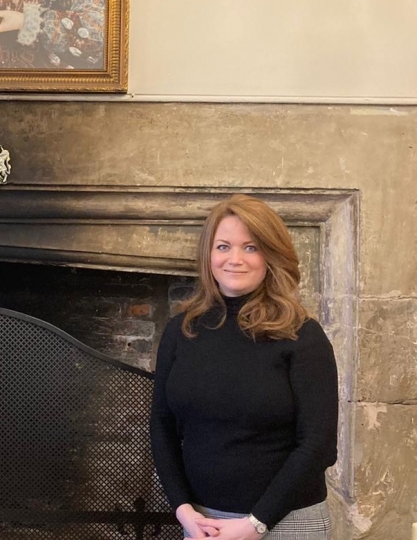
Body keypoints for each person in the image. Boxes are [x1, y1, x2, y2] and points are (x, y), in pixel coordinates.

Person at [150, 195, 338, 540]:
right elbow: (161, 425)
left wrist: (257, 523)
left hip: (285, 524)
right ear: (209, 254)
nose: (234, 259)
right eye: (223, 246)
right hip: (203, 524)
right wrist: (183, 509)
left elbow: (319, 444)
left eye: (250, 248)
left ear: (270, 256)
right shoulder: (181, 330)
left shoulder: (302, 335)